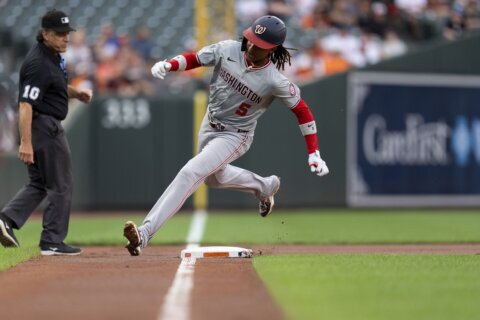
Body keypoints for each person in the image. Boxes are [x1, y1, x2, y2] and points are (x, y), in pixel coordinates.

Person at [123, 15, 329, 256]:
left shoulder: (275, 81)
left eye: (259, 44)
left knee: (192, 171)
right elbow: (195, 59)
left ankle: (145, 233)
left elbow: (302, 111)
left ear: (273, 49)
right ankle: (265, 186)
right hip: (210, 122)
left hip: (236, 135)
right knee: (212, 178)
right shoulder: (227, 49)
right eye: (251, 39)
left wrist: (313, 152)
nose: (251, 45)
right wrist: (169, 65)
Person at [0, 10, 93, 256]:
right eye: (60, 34)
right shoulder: (38, 63)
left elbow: (55, 86)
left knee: (40, 183)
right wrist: (26, 143)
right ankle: (52, 240)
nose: (66, 38)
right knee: (61, 184)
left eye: (67, 33)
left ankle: (6, 219)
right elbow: (25, 104)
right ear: (45, 34)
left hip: (43, 126)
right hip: (44, 127)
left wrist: (75, 93)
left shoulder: (50, 57)